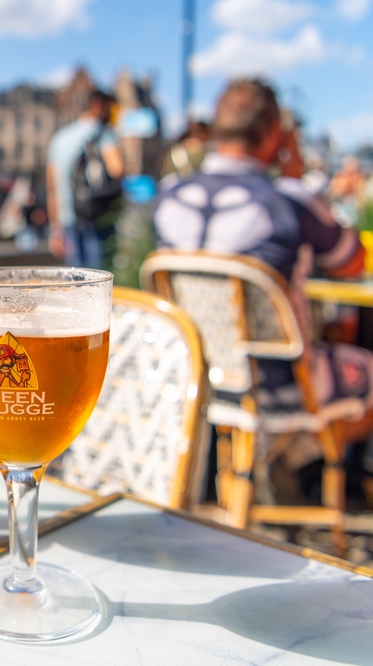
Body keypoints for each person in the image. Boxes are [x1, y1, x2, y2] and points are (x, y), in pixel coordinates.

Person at [153, 78, 373, 453]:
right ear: (276, 133)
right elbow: (351, 262)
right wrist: (296, 174)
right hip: (277, 384)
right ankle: (308, 466)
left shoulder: (172, 195)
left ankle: (261, 470)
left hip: (199, 377)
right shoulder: (289, 200)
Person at [46, 89, 124, 268]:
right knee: (101, 279)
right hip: (97, 216)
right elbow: (117, 170)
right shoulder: (104, 133)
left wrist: (55, 230)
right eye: (113, 110)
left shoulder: (60, 138)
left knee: (76, 282)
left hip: (68, 219)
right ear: (98, 106)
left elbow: (52, 188)